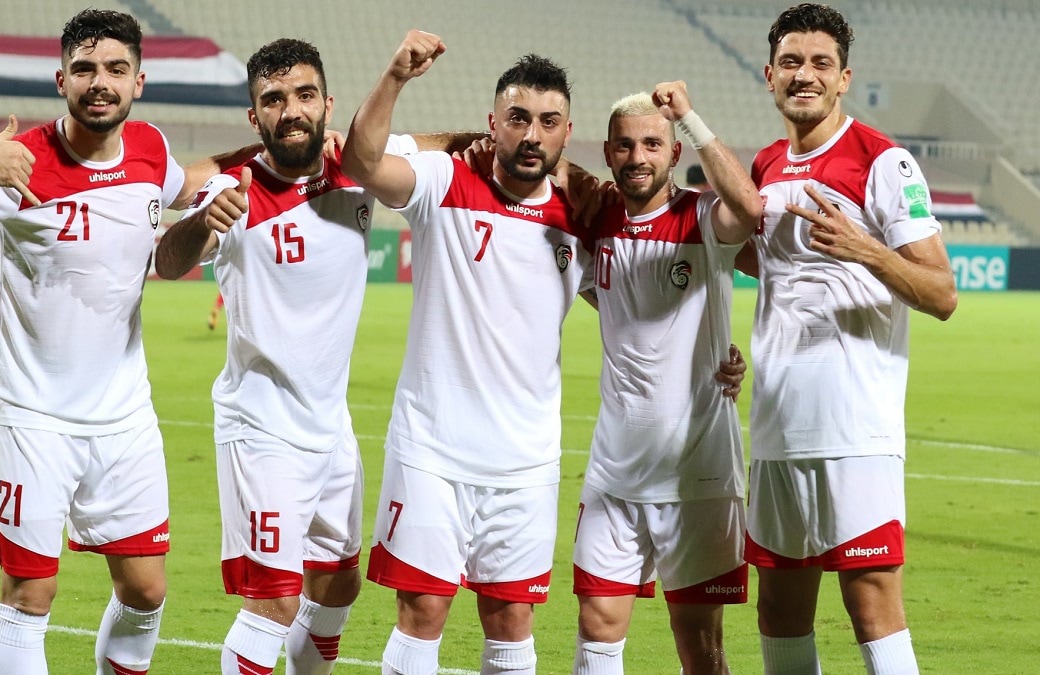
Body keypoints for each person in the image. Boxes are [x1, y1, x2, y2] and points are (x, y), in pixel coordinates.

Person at [0, 10, 226, 674]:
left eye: (115, 69)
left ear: (139, 81)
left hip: (126, 417)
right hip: (35, 418)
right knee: (29, 595)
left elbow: (185, 193)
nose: (100, 82)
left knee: (146, 591)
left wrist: (262, 160)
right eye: (84, 69)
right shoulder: (19, 166)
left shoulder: (150, 149)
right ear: (62, 80)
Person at [154, 38, 483, 675]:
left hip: (331, 427)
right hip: (262, 430)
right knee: (273, 602)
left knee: (337, 585)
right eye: (274, 100)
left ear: (327, 105)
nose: (291, 111)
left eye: (305, 95)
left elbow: (454, 145)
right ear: (255, 116)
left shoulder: (356, 166)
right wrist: (202, 222)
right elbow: (167, 262)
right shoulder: (235, 186)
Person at [340, 29, 599, 674]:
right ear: (493, 123)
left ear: (567, 133)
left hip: (526, 461)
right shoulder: (444, 180)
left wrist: (716, 357)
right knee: (423, 611)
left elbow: (635, 311)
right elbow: (363, 162)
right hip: (433, 451)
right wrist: (395, 77)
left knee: (511, 621)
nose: (531, 134)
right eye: (518, 118)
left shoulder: (581, 220)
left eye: (548, 122)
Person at [746, 4, 957, 674]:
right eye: (791, 62)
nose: (804, 75)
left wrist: (865, 249)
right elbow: (764, 264)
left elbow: (942, 294)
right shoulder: (766, 164)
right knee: (779, 611)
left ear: (843, 79)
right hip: (775, 426)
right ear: (770, 74)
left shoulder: (883, 161)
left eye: (820, 63)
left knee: (871, 607)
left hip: (855, 431)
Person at [571, 84, 762, 674]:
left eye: (653, 144)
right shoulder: (596, 220)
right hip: (614, 470)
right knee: (596, 628)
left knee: (700, 646)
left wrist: (688, 117)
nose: (638, 157)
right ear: (609, 152)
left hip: (697, 474)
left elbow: (750, 210)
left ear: (675, 152)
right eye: (625, 146)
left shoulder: (702, 216)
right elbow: (608, 295)